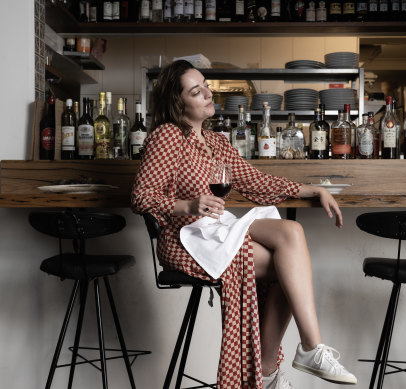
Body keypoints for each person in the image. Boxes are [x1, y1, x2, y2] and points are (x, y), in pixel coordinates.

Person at [131, 59, 357, 389]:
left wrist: (313, 189)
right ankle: (279, 366)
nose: (208, 93)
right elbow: (141, 197)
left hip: (217, 228)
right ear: (178, 102)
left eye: (205, 85)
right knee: (288, 267)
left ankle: (306, 351)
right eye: (196, 91)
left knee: (292, 234)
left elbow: (254, 181)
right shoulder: (167, 136)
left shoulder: (217, 141)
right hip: (185, 238)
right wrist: (188, 205)